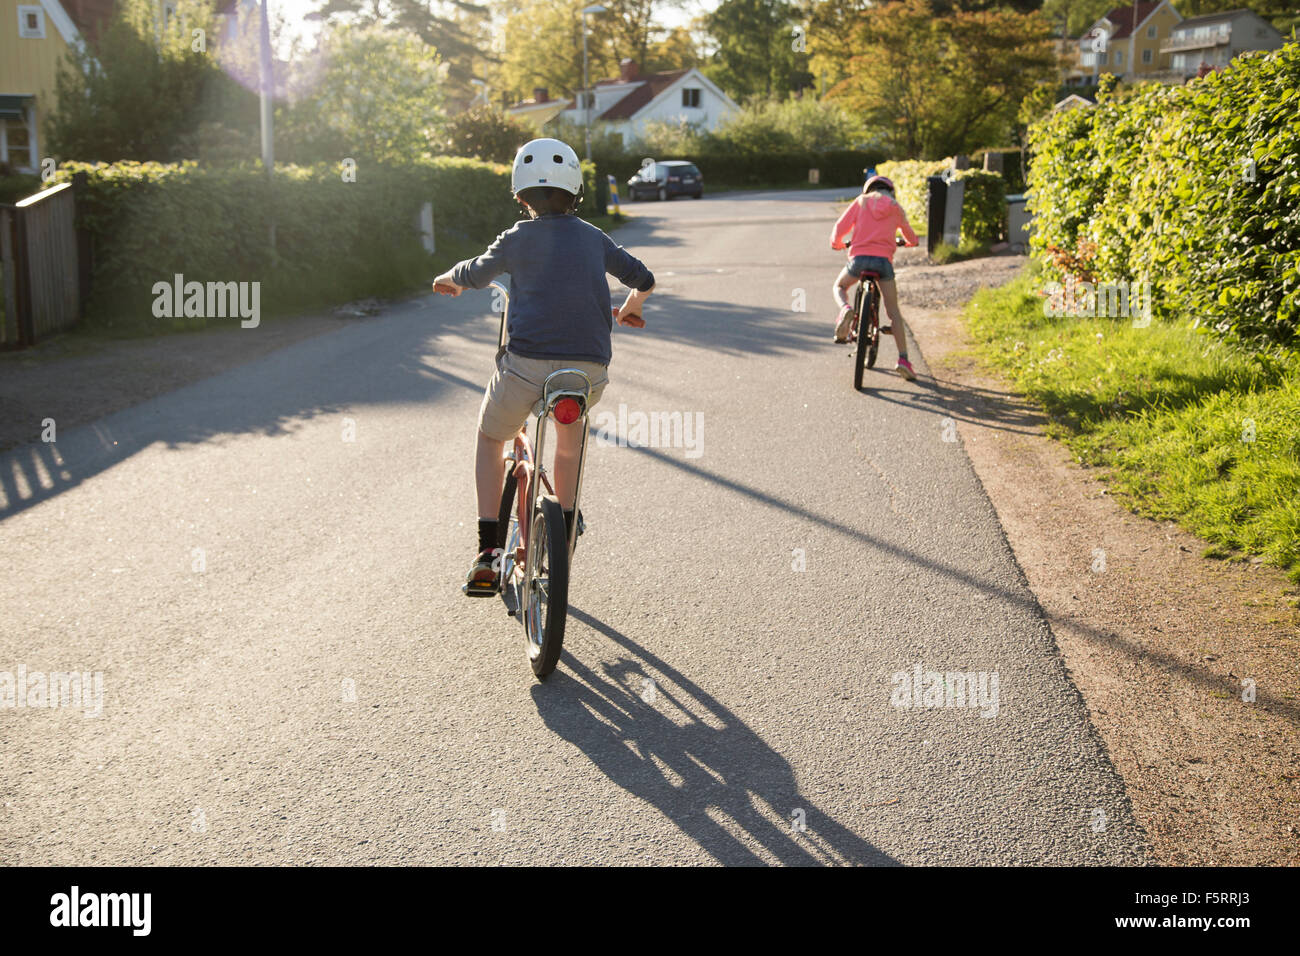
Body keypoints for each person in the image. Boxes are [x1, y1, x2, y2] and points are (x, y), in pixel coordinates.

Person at [432, 138, 655, 596]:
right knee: (568, 449)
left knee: (491, 436)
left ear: (520, 196)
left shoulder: (517, 238)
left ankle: (489, 549)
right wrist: (631, 307)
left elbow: (476, 272)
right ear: (577, 192)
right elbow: (644, 278)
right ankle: (564, 537)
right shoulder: (595, 238)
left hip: (526, 367)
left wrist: (450, 280)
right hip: (587, 372)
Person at [830, 175, 920, 380]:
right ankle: (903, 360)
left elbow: (839, 228)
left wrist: (836, 243)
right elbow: (911, 237)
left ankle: (846, 310)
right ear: (891, 190)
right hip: (883, 264)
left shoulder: (860, 202)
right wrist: (909, 243)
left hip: (858, 260)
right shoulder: (895, 207)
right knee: (893, 311)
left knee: (840, 286)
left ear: (868, 189)